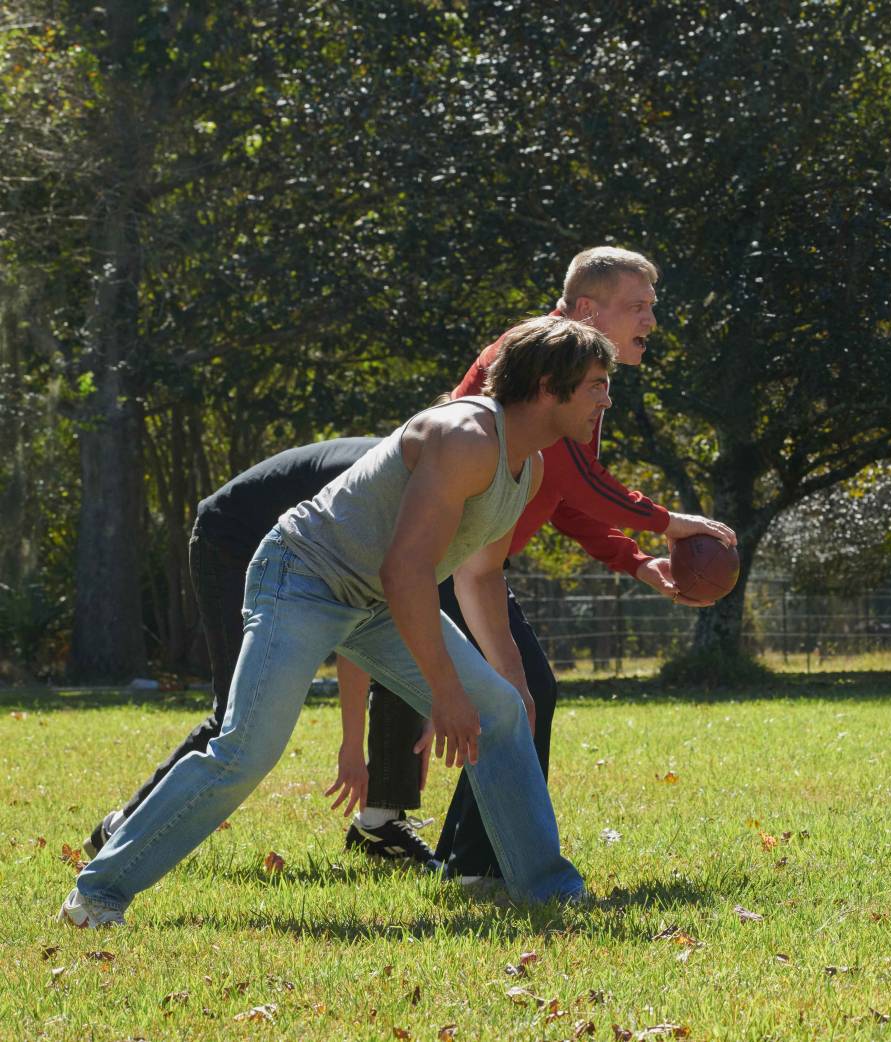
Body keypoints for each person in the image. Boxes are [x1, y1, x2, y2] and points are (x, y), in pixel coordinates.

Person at [60, 316, 606, 927]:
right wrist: (446, 694)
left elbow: (478, 577)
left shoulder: (524, 467)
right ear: (546, 387)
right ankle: (98, 893)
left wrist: (514, 686)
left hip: (373, 602)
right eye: (594, 385)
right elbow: (407, 570)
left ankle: (547, 891)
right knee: (247, 748)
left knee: (503, 715)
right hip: (302, 579)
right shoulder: (466, 437)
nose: (606, 399)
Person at [364, 246, 736, 881]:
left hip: (470, 562)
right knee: (519, 697)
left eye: (653, 307)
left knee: (518, 697)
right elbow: (578, 477)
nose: (650, 321)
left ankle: (467, 858)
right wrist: (668, 523)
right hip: (436, 560)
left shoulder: (579, 370)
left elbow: (562, 494)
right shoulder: (538, 360)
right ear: (588, 309)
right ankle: (476, 865)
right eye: (637, 307)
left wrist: (639, 561)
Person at [80, 438, 442, 868]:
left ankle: (380, 821)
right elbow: (357, 630)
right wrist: (350, 747)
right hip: (230, 542)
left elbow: (384, 625)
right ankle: (122, 831)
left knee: (400, 646)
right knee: (239, 714)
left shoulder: (432, 482)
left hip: (289, 549)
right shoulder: (397, 487)